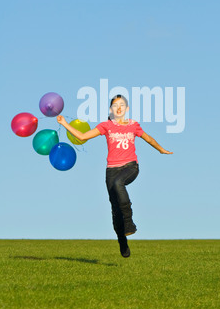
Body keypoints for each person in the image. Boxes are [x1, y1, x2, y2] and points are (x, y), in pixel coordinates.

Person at [56, 94, 173, 258]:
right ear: (111, 109)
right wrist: (64, 124)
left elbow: (148, 138)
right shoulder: (106, 126)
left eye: (122, 105)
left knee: (119, 183)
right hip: (111, 170)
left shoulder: (133, 125)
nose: (119, 108)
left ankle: (129, 222)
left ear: (127, 109)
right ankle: (122, 241)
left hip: (130, 167)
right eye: (115, 105)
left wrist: (160, 149)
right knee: (115, 210)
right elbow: (82, 137)